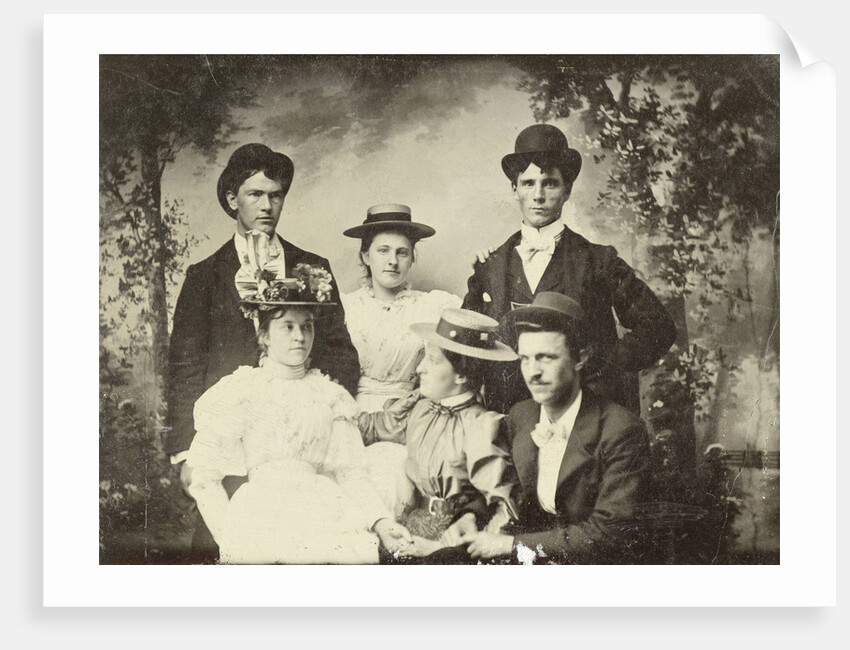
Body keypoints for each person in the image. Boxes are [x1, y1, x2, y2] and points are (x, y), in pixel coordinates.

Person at [166, 143, 360, 561]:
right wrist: (187, 451)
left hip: (299, 448)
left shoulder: (314, 268)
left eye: (276, 195)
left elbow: (341, 354)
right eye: (255, 194)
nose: (267, 206)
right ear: (232, 199)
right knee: (223, 550)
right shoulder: (203, 276)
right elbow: (184, 368)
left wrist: (322, 416)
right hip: (231, 443)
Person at [184, 268, 411, 564]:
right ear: (264, 335)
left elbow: (352, 472)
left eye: (307, 327)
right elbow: (203, 478)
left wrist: (382, 522)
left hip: (324, 511)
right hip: (261, 515)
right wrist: (230, 539)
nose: (299, 337)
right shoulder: (242, 390)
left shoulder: (329, 395)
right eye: (287, 327)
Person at [462, 124, 677, 414]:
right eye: (528, 184)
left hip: (586, 414)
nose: (538, 195)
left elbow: (658, 327)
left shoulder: (599, 261)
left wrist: (601, 366)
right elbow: (465, 346)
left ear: (567, 190)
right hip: (508, 416)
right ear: (514, 189)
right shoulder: (491, 266)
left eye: (550, 183)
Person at [458, 292, 651, 564]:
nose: (532, 372)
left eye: (546, 358)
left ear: (580, 358)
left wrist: (511, 545)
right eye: (525, 359)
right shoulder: (521, 415)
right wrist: (470, 514)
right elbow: (501, 482)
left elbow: (608, 534)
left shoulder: (621, 430)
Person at [357, 307, 520, 562]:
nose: (419, 368)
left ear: (462, 374)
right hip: (408, 525)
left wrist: (446, 549)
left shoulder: (482, 426)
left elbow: (503, 507)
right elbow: (373, 427)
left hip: (453, 540)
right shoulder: (420, 409)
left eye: (432, 360)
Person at [341, 204, 461, 412]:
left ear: (412, 258)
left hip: (413, 411)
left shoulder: (434, 306)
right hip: (352, 409)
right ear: (366, 256)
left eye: (402, 253)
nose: (393, 261)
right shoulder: (346, 306)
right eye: (383, 250)